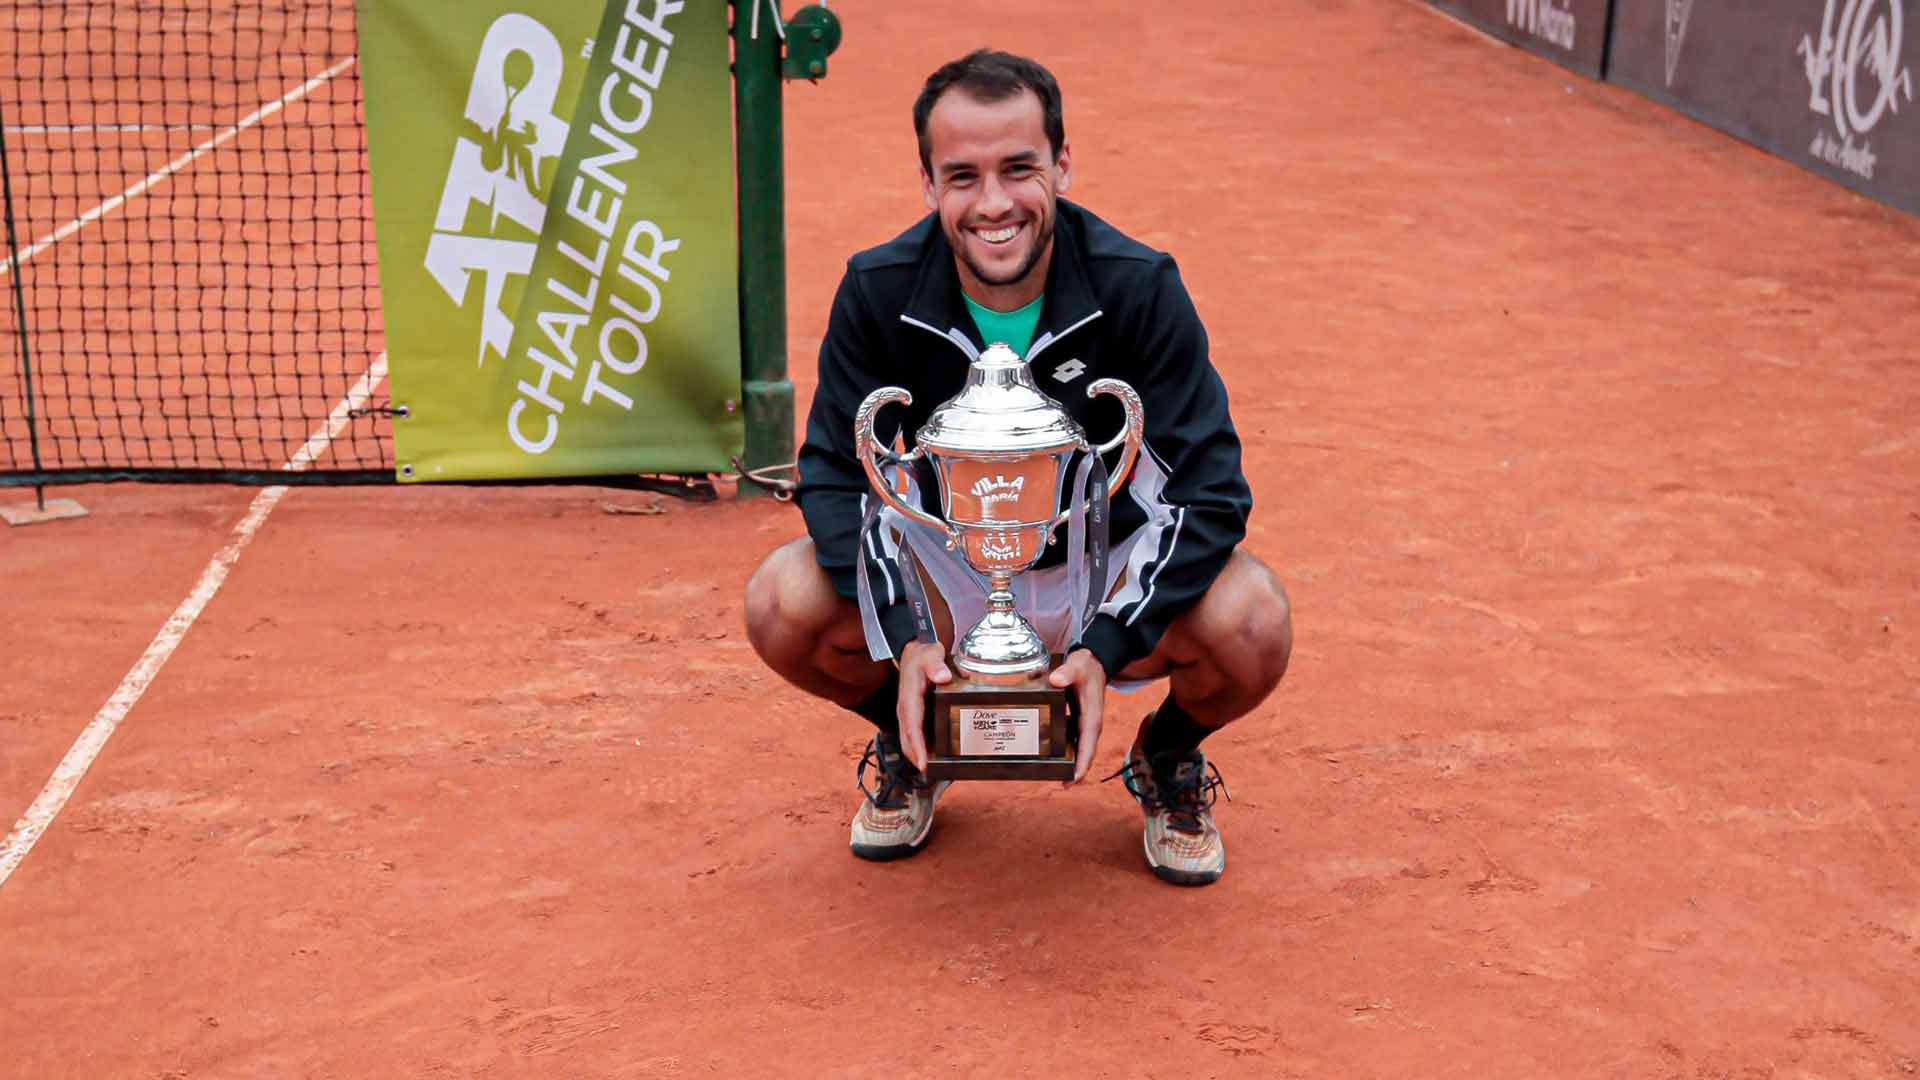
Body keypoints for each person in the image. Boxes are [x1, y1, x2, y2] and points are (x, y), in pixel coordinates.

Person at [743, 48, 1291, 886]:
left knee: (1252, 619)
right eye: (962, 176)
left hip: (1096, 577)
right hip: (950, 584)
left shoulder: (1138, 287)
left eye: (1018, 169)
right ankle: (916, 737)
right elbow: (832, 476)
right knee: (781, 602)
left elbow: (1210, 491)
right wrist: (911, 636)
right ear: (927, 183)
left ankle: (1166, 758)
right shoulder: (876, 291)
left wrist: (1109, 644)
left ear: (1062, 165)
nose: (993, 203)